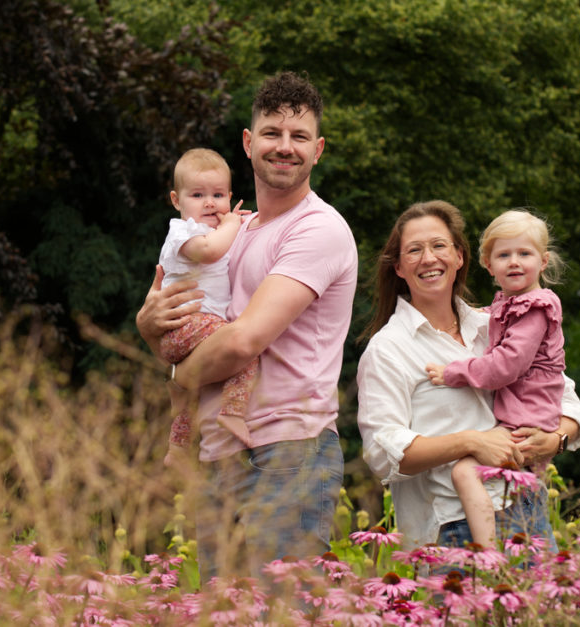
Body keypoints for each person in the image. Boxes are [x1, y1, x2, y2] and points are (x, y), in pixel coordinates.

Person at [136, 72, 358, 578]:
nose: (285, 147)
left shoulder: (317, 228)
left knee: (278, 612)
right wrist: (150, 329)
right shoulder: (234, 230)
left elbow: (243, 341)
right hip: (218, 454)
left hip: (286, 454)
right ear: (248, 142)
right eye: (272, 133)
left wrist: (179, 377)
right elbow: (193, 326)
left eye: (299, 136)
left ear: (318, 149)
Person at [356, 200, 580, 552]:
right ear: (399, 268)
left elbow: (567, 399)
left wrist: (554, 440)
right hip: (453, 527)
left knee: (544, 609)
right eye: (414, 250)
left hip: (527, 508)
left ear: (459, 257)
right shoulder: (389, 348)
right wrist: (470, 442)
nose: (429, 258)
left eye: (439, 246)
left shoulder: (495, 325)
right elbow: (382, 452)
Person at [424, 209, 568, 548]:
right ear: (489, 265)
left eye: (524, 254)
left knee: (463, 472)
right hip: (526, 411)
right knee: (521, 487)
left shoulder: (534, 309)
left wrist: (453, 373)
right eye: (504, 255)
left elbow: (506, 366)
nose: (514, 262)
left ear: (543, 261)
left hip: (526, 414)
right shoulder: (510, 304)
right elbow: (496, 321)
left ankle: (488, 554)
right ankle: (520, 542)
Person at [155, 148, 254, 454]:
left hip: (189, 331)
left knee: (191, 397)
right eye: (198, 195)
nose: (210, 202)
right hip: (186, 325)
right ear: (176, 201)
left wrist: (235, 225)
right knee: (247, 347)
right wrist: (231, 226)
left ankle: (177, 447)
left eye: (218, 195)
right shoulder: (182, 232)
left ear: (230, 197)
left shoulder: (214, 230)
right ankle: (233, 412)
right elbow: (209, 251)